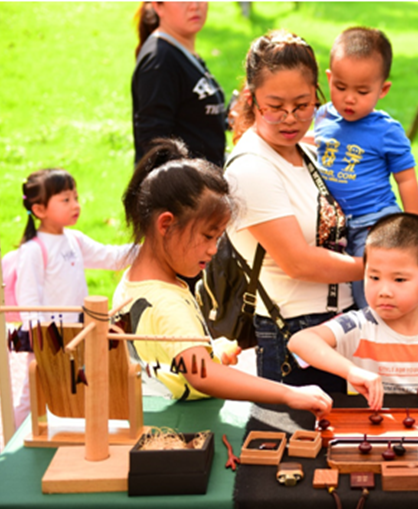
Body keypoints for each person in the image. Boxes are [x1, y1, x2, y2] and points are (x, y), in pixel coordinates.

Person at [112, 138, 332, 417]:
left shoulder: (134, 280)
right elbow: (203, 377)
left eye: (218, 238)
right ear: (166, 224)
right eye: (208, 236)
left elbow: (161, 352)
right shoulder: (168, 304)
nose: (214, 249)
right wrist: (289, 393)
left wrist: (207, 351)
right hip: (181, 430)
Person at [224, 30, 363, 393]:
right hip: (289, 330)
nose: (290, 118)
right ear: (252, 100)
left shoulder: (307, 152)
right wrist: (377, 268)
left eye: (302, 106)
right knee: (295, 447)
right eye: (275, 107)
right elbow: (298, 262)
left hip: (335, 324)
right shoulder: (250, 168)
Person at [288, 213, 418, 410]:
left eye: (399, 280)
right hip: (368, 434)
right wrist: (350, 371)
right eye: (374, 277)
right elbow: (299, 342)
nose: (384, 292)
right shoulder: (358, 325)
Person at [14, 168, 136, 425]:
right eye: (65, 199)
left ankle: (69, 433)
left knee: (73, 386)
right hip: (48, 339)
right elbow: (29, 302)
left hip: (77, 334)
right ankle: (17, 445)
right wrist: (42, 341)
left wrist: (150, 247)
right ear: (39, 210)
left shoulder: (74, 240)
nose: (75, 205)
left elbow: (111, 258)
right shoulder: (33, 251)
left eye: (76, 197)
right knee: (34, 393)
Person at [313, 27, 418, 309]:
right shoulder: (321, 117)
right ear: (329, 78)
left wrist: (414, 226)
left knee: (371, 293)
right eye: (340, 87)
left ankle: (380, 340)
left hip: (373, 222)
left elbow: (406, 179)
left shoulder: (386, 130)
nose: (350, 98)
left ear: (383, 89)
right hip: (332, 224)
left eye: (362, 91)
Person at [132, 2, 226, 168]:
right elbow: (155, 146)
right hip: (184, 190)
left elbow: (194, 122)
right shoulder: (159, 61)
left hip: (205, 186)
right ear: (158, 6)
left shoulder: (181, 50)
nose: (194, 5)